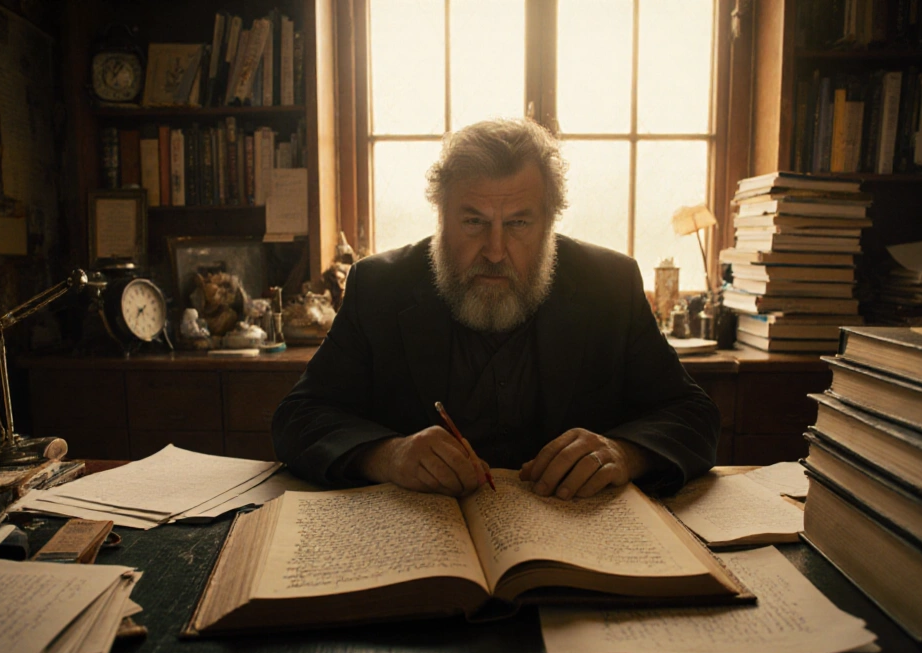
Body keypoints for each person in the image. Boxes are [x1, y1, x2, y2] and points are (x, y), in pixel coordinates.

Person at [272, 117, 719, 499]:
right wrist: (387, 455)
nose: (495, 249)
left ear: (549, 222)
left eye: (519, 223)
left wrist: (624, 453)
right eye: (473, 222)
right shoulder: (379, 286)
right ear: (441, 218)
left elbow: (694, 416)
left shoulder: (610, 284)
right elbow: (298, 418)